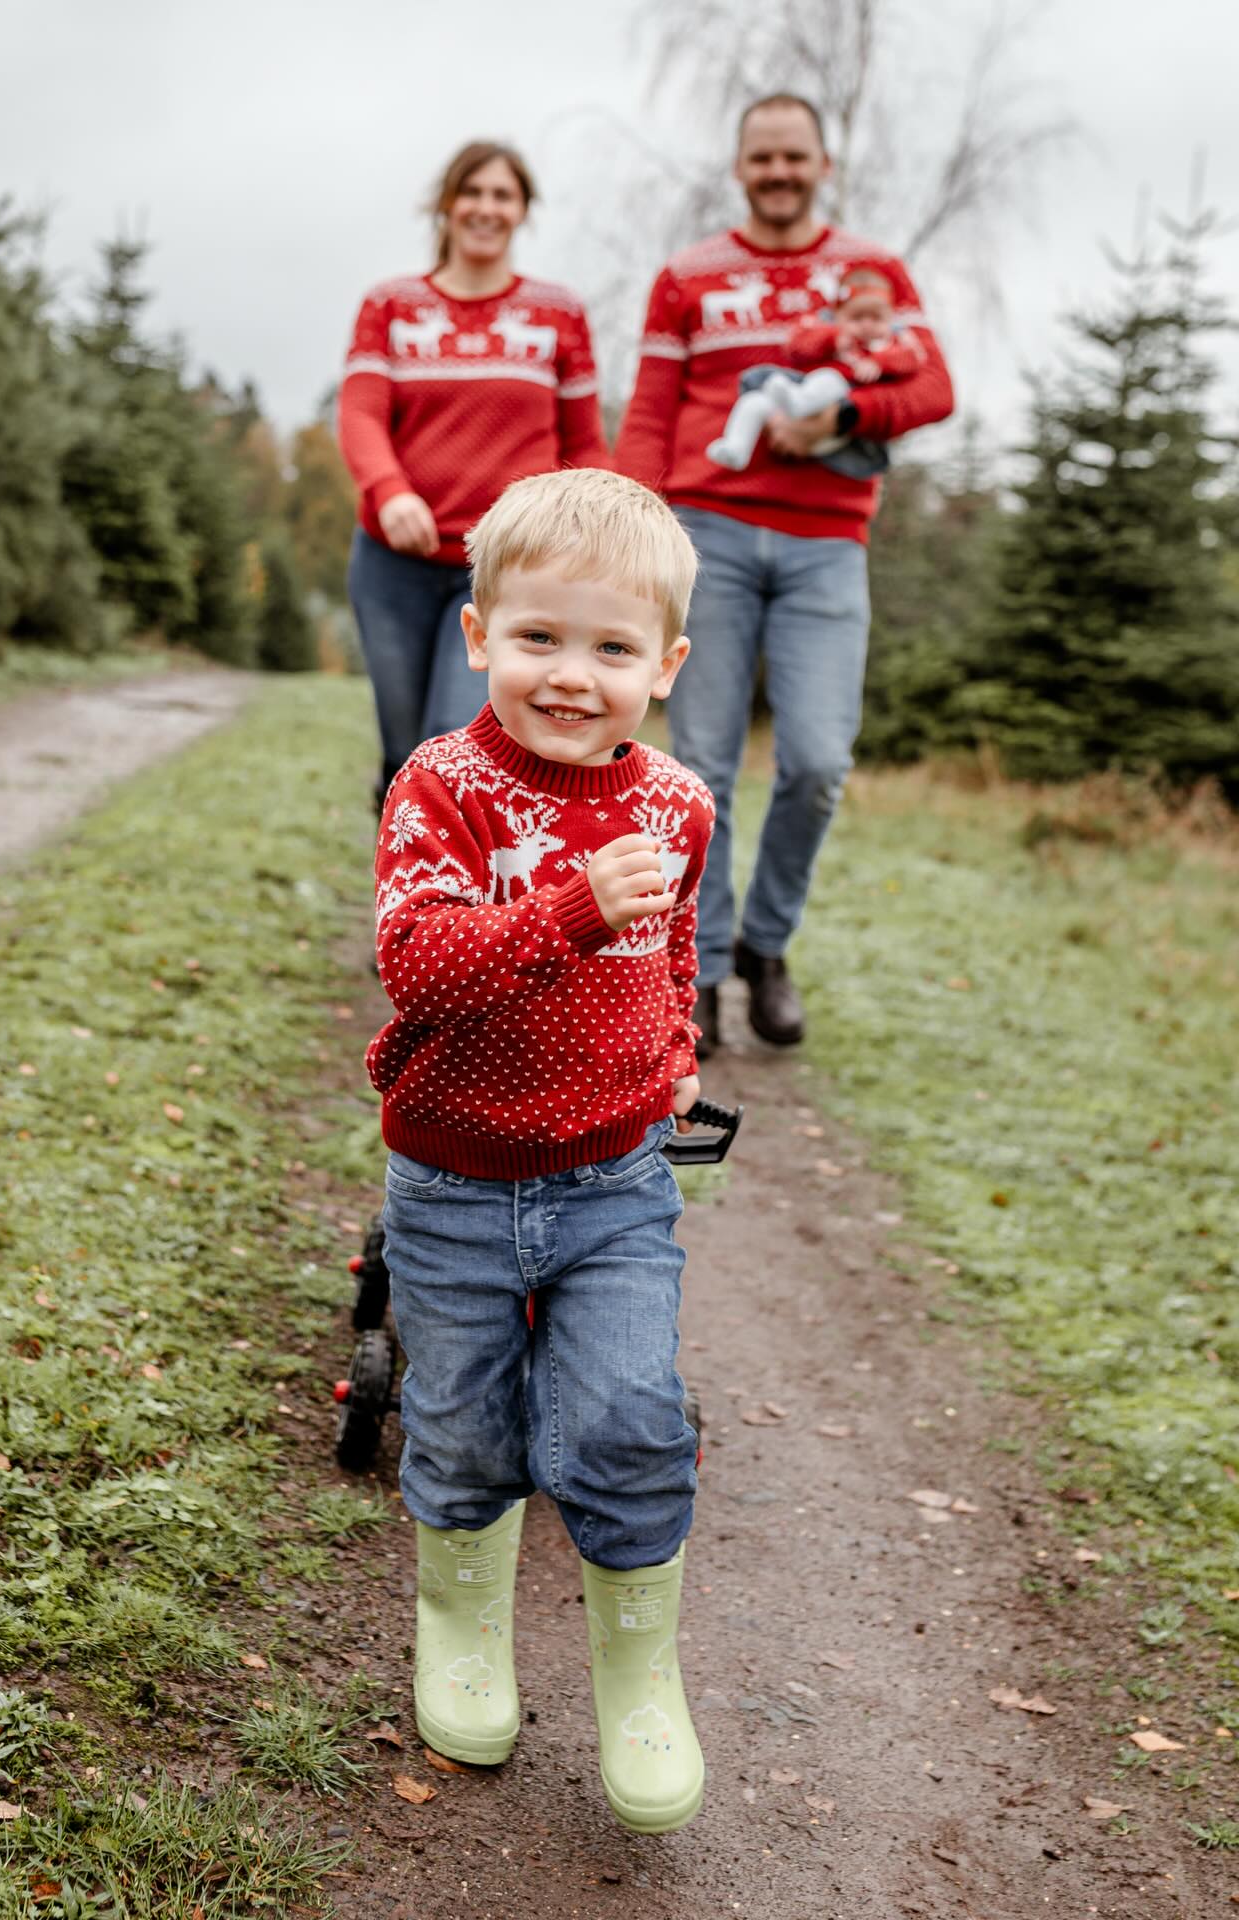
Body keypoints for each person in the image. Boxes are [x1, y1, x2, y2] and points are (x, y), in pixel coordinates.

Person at [367, 468, 714, 1834]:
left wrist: (676, 1050)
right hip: (453, 1180)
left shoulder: (676, 805)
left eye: (613, 648)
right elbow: (416, 963)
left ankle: (641, 1671)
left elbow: (673, 951)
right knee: (462, 1425)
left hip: (614, 1182)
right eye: (539, 638)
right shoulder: (441, 787)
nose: (573, 676)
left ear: (666, 666)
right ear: (478, 636)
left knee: (631, 1414)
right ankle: (463, 1629)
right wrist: (568, 908)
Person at [616, 94, 954, 1051]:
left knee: (816, 763)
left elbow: (934, 387)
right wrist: (631, 525)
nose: (778, 172)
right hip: (708, 535)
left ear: (823, 165)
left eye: (794, 156)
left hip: (826, 546)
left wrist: (844, 418)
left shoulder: (873, 272)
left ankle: (765, 947)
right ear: (739, 166)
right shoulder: (687, 277)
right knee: (703, 768)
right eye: (761, 156)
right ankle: (699, 975)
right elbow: (652, 409)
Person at [338, 141, 609, 804]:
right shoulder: (391, 306)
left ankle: (456, 869)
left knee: (455, 744)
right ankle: (399, 853)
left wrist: (602, 532)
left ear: (523, 211)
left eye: (503, 196)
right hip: (394, 563)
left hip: (506, 567)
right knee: (404, 746)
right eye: (473, 193)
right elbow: (361, 414)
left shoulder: (558, 314)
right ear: (447, 205)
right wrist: (390, 492)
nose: (487, 208)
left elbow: (584, 445)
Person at [707, 267, 926, 479]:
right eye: (857, 318)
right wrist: (832, 339)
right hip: (793, 406)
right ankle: (736, 448)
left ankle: (798, 401)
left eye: (877, 319)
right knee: (754, 402)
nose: (867, 325)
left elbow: (913, 358)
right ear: (837, 315)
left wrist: (879, 362)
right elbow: (796, 345)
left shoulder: (892, 343)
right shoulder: (822, 329)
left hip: (841, 418)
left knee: (829, 379)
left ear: (890, 318)